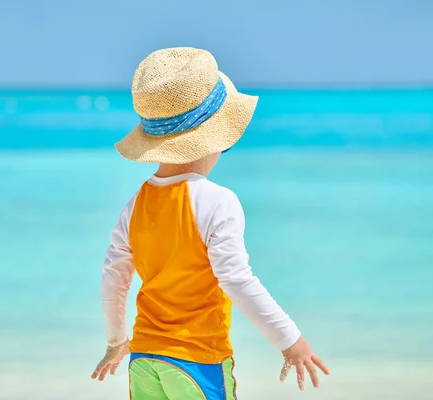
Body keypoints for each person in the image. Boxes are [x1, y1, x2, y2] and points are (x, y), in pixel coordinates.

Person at [91, 47, 329, 399]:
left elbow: (114, 278)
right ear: (214, 138)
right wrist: (289, 340)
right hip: (197, 362)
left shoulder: (135, 206)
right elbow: (236, 280)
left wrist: (116, 341)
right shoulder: (218, 202)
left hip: (143, 359)